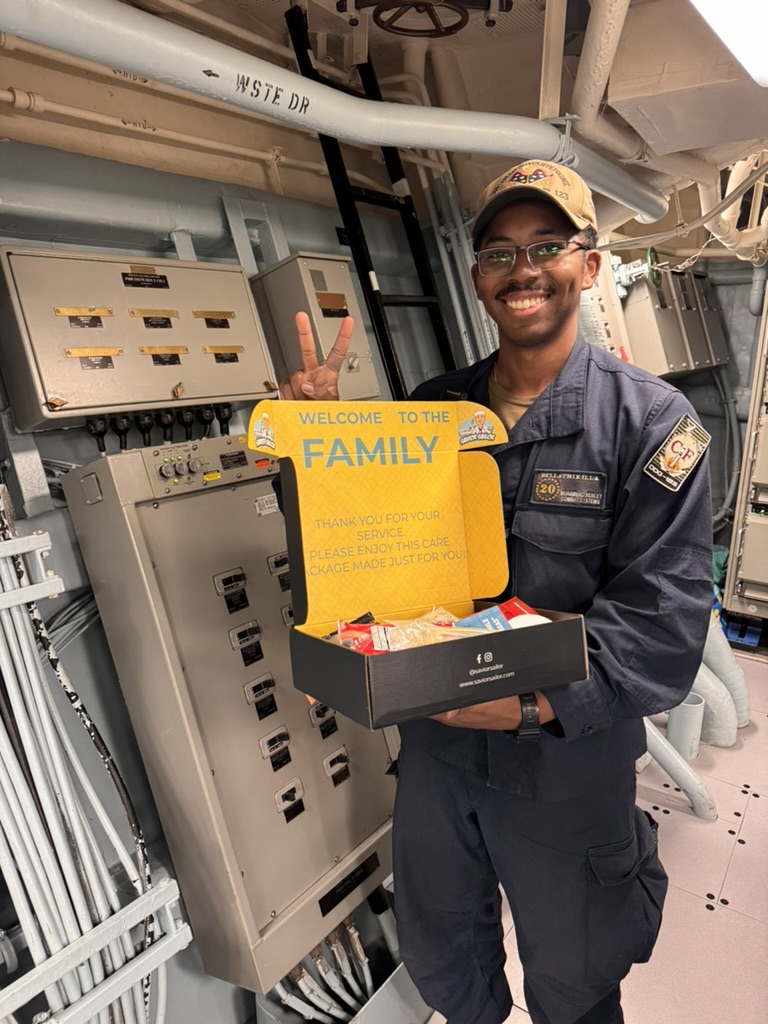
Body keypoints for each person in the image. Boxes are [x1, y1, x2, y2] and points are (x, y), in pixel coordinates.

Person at [281, 159, 713, 1024]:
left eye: (547, 245)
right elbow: (358, 563)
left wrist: (522, 706)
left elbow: (662, 630)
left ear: (589, 264)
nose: (523, 269)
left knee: (577, 978)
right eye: (500, 252)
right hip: (440, 757)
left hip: (567, 759)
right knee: (446, 958)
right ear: (478, 275)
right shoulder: (433, 412)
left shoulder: (652, 425)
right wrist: (314, 443)